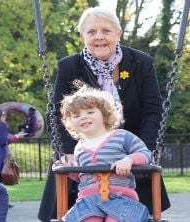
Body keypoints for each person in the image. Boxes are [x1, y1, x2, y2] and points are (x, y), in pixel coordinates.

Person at [38, 6, 170, 221]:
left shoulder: (140, 63)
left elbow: (153, 110)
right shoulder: (70, 67)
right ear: (82, 36)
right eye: (91, 32)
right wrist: (69, 153)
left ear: (118, 33)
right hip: (85, 151)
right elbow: (56, 114)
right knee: (75, 209)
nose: (99, 37)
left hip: (127, 150)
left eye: (106, 31)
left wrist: (143, 151)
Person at [54, 85, 151, 221]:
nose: (83, 117)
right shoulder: (79, 147)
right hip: (88, 201)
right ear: (71, 122)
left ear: (105, 115)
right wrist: (68, 170)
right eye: (76, 115)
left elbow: (145, 153)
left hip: (120, 197)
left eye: (90, 112)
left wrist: (129, 160)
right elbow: (82, 176)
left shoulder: (122, 136)